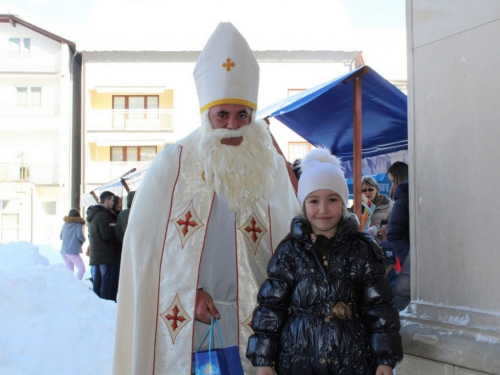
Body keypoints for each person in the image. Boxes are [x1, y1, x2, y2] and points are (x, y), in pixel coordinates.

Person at [112, 23, 300, 375]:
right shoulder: (174, 163)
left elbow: (292, 246)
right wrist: (187, 293)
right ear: (206, 115)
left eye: (242, 115)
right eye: (222, 115)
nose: (232, 127)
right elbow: (144, 249)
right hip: (193, 321)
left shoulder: (270, 167)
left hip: (259, 323)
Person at [246, 148, 403, 375]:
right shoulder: (289, 252)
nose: (323, 209)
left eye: (332, 199)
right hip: (298, 361)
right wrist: (263, 361)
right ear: (303, 204)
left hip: (353, 361)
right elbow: (271, 309)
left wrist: (385, 360)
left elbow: (380, 309)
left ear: (343, 201)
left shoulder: (363, 249)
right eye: (314, 201)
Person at [86, 190, 116, 301]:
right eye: (112, 201)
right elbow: (106, 235)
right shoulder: (103, 215)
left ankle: (96, 303)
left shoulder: (92, 214)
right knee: (106, 280)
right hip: (104, 253)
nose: (113, 203)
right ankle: (104, 302)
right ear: (107, 200)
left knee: (97, 280)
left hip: (95, 253)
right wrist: (114, 228)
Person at [60, 208, 86, 280]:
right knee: (82, 269)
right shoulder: (78, 224)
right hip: (72, 251)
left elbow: (61, 236)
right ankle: (77, 284)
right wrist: (84, 240)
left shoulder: (65, 224)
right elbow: (79, 235)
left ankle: (70, 286)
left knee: (70, 272)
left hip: (64, 251)